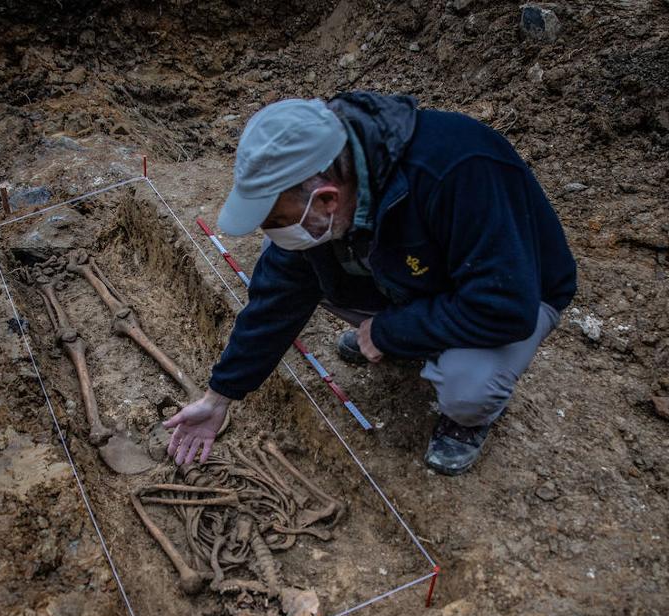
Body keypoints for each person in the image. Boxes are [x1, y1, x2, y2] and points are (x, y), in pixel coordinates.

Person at [165, 93, 577, 475]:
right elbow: (274, 299)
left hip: (517, 293)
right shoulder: (330, 200)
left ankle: (468, 416)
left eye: (276, 221)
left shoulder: (458, 170)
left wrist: (391, 332)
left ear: (327, 198)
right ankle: (413, 337)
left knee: (466, 387)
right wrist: (219, 397)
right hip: (417, 277)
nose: (274, 233)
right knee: (305, 278)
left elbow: (505, 305)